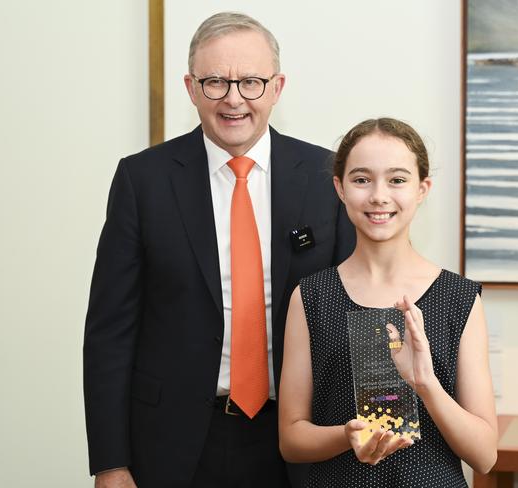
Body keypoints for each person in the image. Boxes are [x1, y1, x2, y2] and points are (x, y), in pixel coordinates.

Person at [83, 12, 354, 488]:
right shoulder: (143, 181)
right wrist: (110, 462)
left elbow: (356, 317)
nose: (234, 99)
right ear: (190, 87)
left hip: (298, 441)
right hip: (173, 443)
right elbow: (109, 333)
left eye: (251, 82)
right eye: (215, 83)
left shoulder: (326, 177)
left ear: (276, 87)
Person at [278, 118, 498, 487]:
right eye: (362, 179)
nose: (379, 195)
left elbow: (485, 455)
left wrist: (425, 382)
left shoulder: (459, 298)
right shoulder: (312, 296)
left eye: (397, 180)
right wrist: (346, 436)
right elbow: (291, 439)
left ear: (422, 189)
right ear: (340, 188)